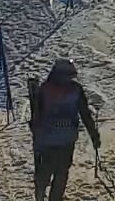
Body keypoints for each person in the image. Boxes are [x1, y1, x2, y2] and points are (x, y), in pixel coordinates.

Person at [31, 58, 101, 201]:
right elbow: (85, 114)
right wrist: (94, 136)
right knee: (61, 173)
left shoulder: (45, 88)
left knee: (44, 171)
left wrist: (35, 132)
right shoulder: (76, 89)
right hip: (67, 139)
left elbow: (36, 114)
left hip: (45, 139)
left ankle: (40, 195)